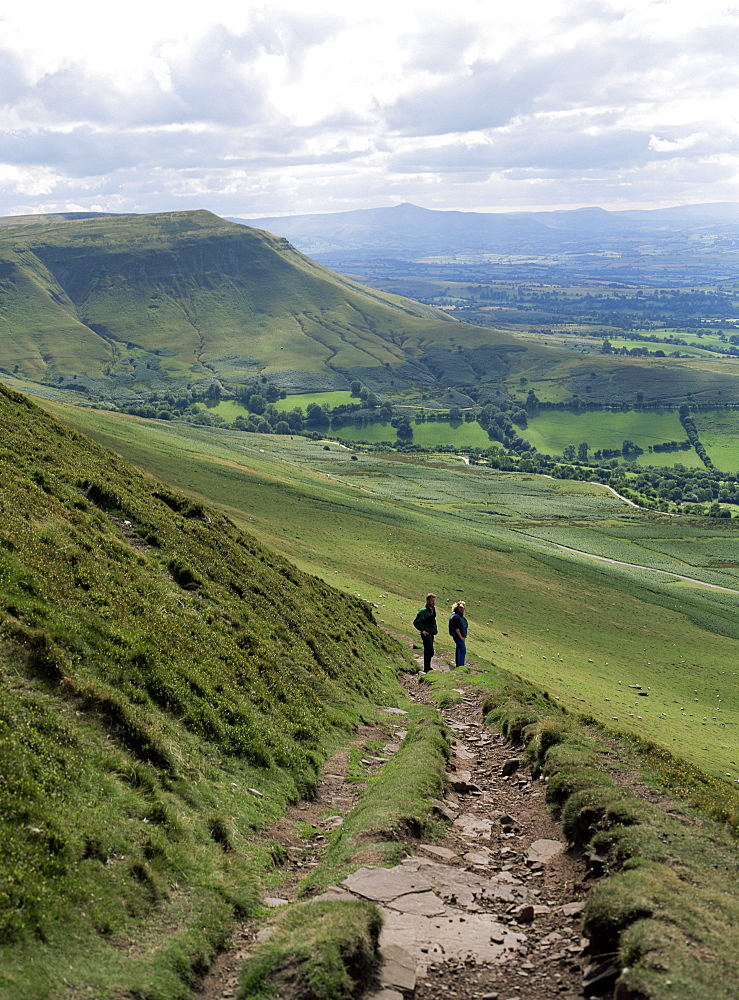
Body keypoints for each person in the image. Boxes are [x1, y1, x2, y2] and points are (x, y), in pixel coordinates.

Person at [413, 593, 437, 672]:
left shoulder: (432, 609)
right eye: (432, 601)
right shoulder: (423, 611)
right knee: (429, 650)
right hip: (426, 634)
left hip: (431, 632)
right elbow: (416, 622)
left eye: (434, 601)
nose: (433, 602)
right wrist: (422, 630)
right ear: (428, 601)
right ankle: (426, 668)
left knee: (430, 651)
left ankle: (428, 667)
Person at [449, 600, 468, 668]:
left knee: (459, 649)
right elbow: (456, 628)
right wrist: (461, 637)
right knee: (463, 650)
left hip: (459, 636)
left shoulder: (458, 616)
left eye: (463, 607)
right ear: (457, 608)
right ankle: (461, 665)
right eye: (460, 607)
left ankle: (458, 665)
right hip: (458, 636)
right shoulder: (456, 617)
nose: (462, 609)